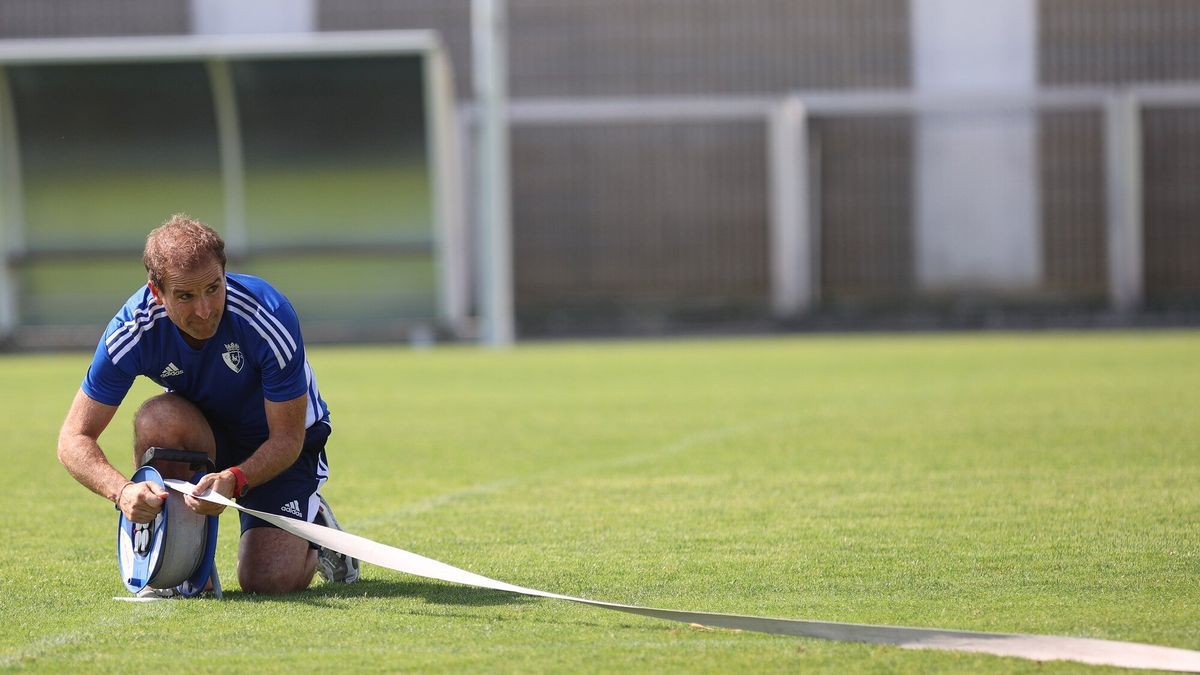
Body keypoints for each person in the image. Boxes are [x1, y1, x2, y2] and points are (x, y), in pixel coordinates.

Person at [57, 214, 358, 594]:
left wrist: (235, 479)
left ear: (224, 274)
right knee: (158, 418)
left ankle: (317, 531)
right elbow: (73, 438)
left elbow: (288, 438)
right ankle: (181, 564)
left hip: (279, 443)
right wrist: (122, 492)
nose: (204, 310)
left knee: (267, 580)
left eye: (214, 288)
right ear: (156, 293)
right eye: (185, 296)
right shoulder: (132, 330)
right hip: (204, 435)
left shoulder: (269, 315)